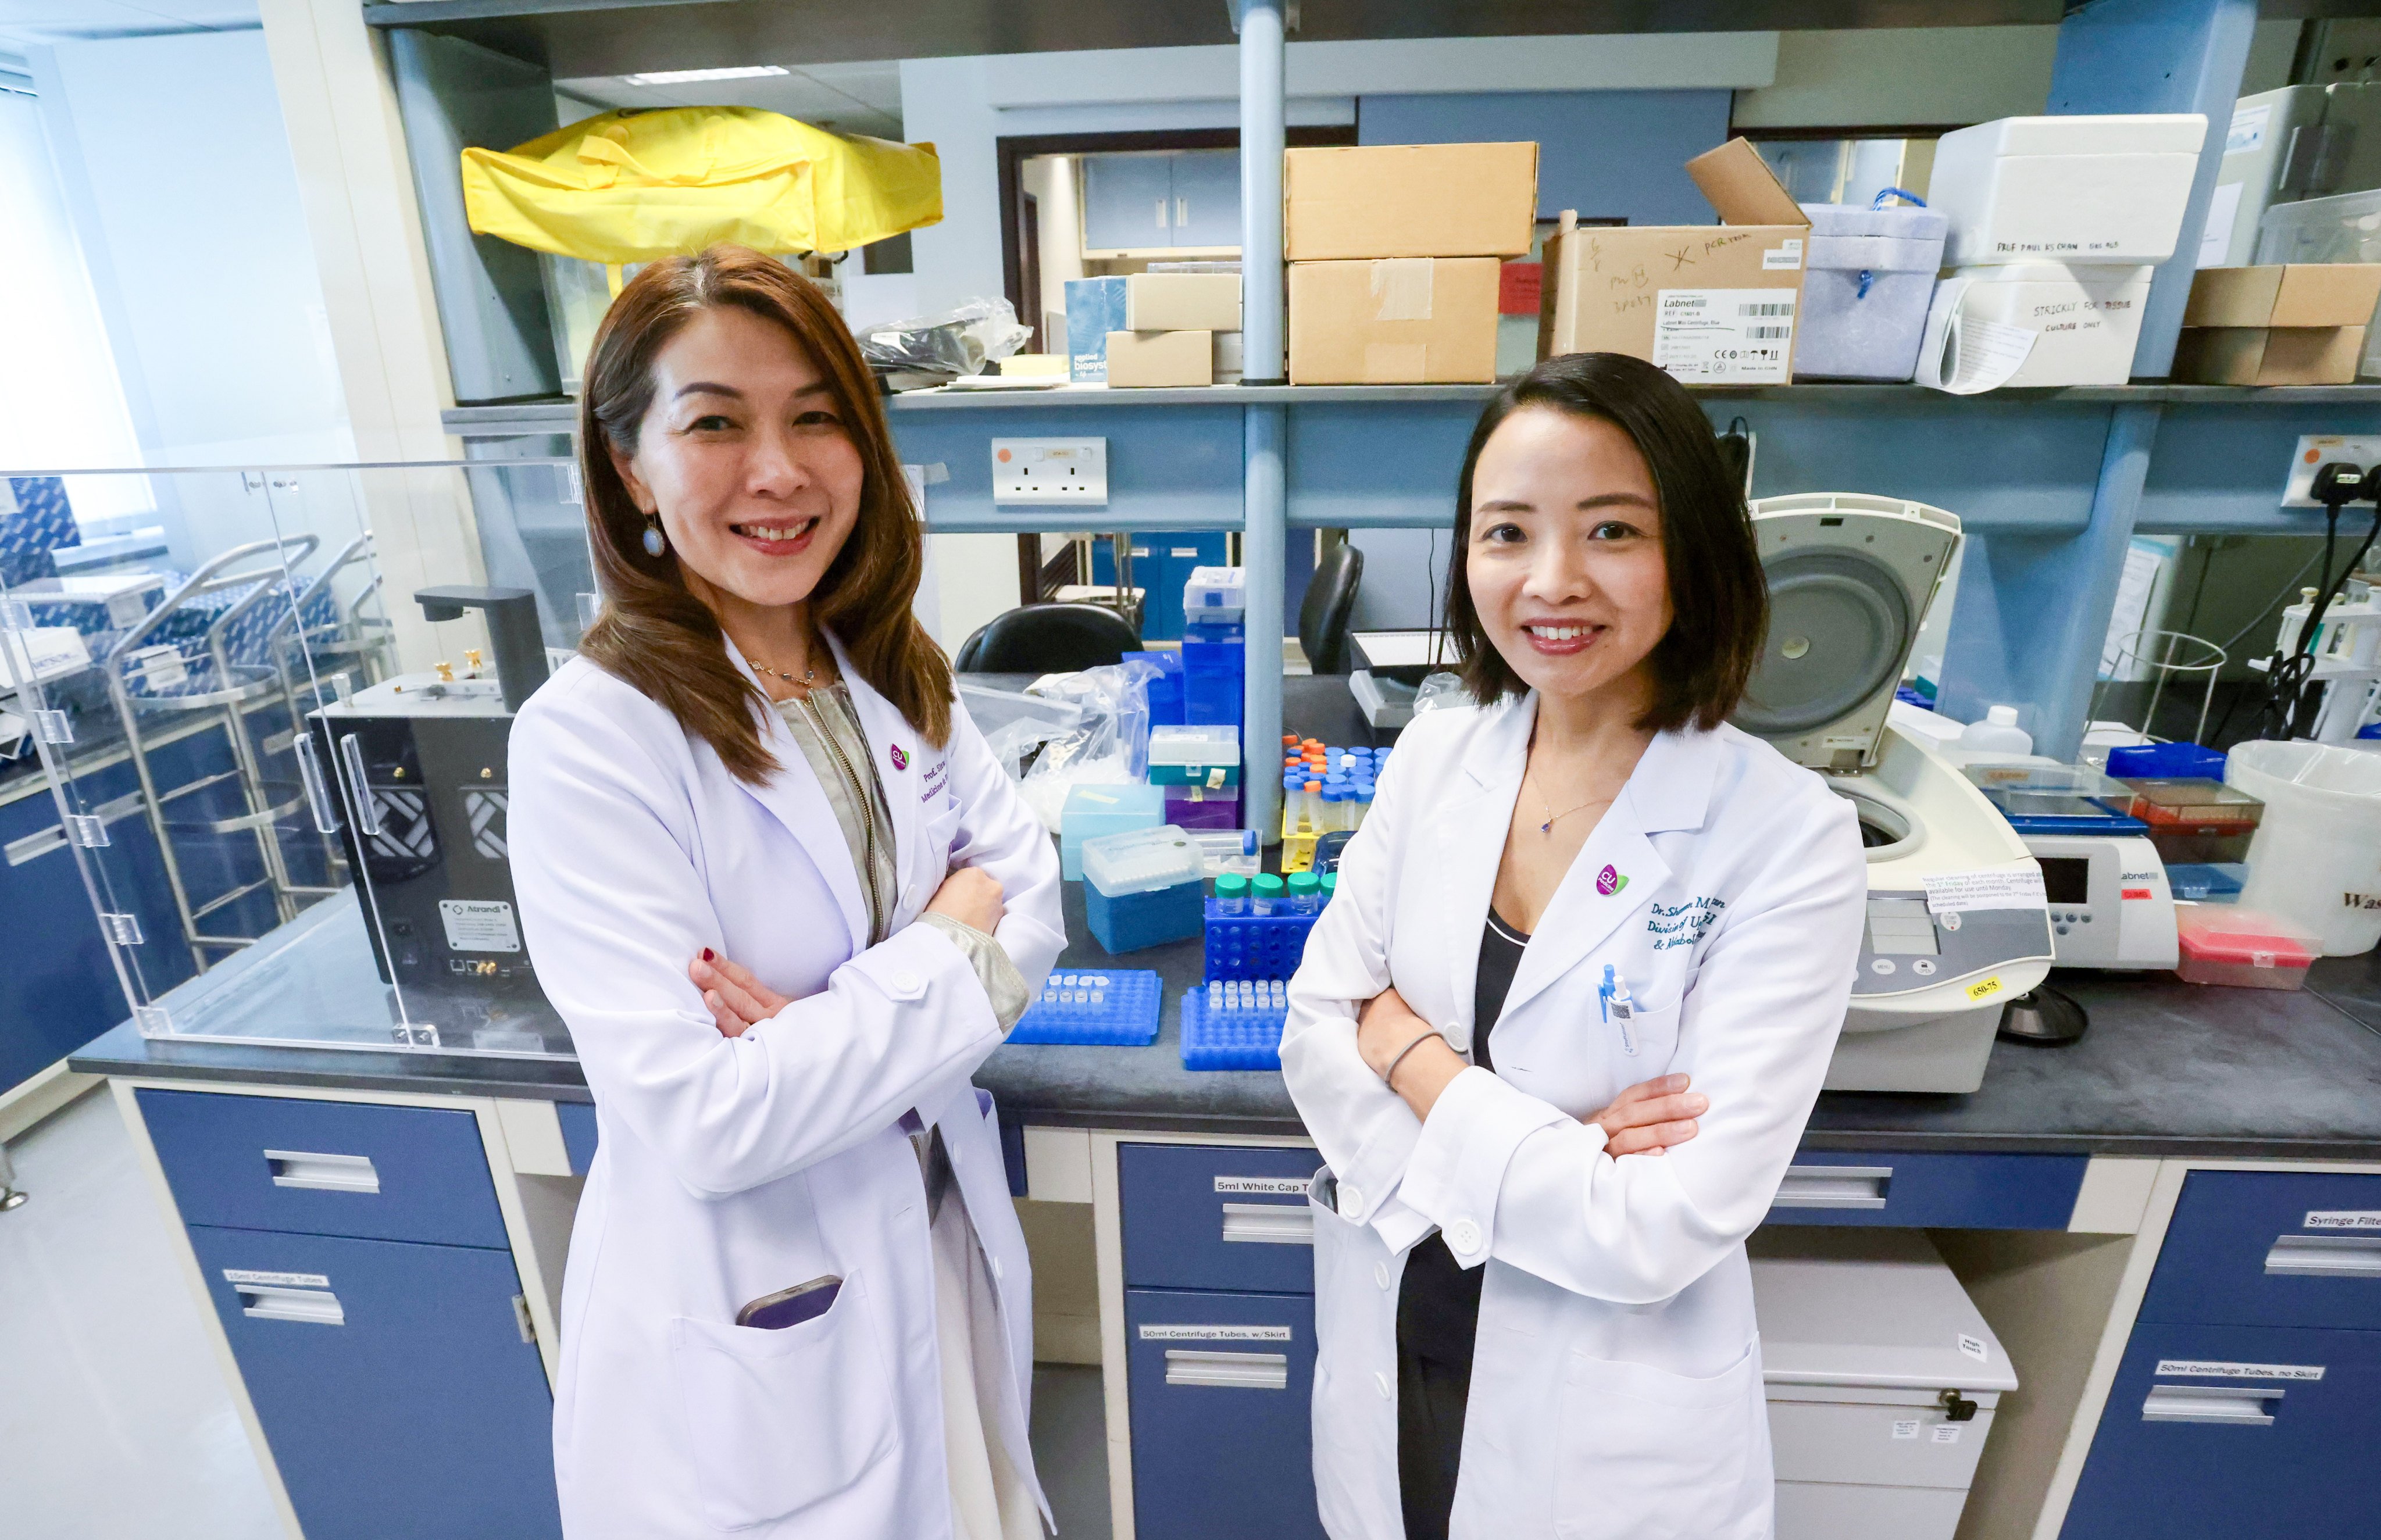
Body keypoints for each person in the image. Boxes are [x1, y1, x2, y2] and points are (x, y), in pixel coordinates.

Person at [508, 245, 1063, 1540]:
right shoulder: (592, 738)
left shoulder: (882, 668)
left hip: (927, 1235)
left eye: (816, 415)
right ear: (630, 468)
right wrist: (942, 942)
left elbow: (1028, 896)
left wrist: (820, 1026)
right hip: (754, 1315)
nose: (778, 469)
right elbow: (711, 1120)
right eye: (714, 423)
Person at [1281, 352, 1868, 1540]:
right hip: (1396, 1328)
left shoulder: (1784, 837)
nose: (1551, 580)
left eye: (1610, 529)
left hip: (1607, 1419)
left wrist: (1414, 1058)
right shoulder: (1437, 755)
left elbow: (1656, 1226)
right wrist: (1563, 1151)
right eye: (1506, 532)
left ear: (1691, 550)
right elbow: (1312, 1033)